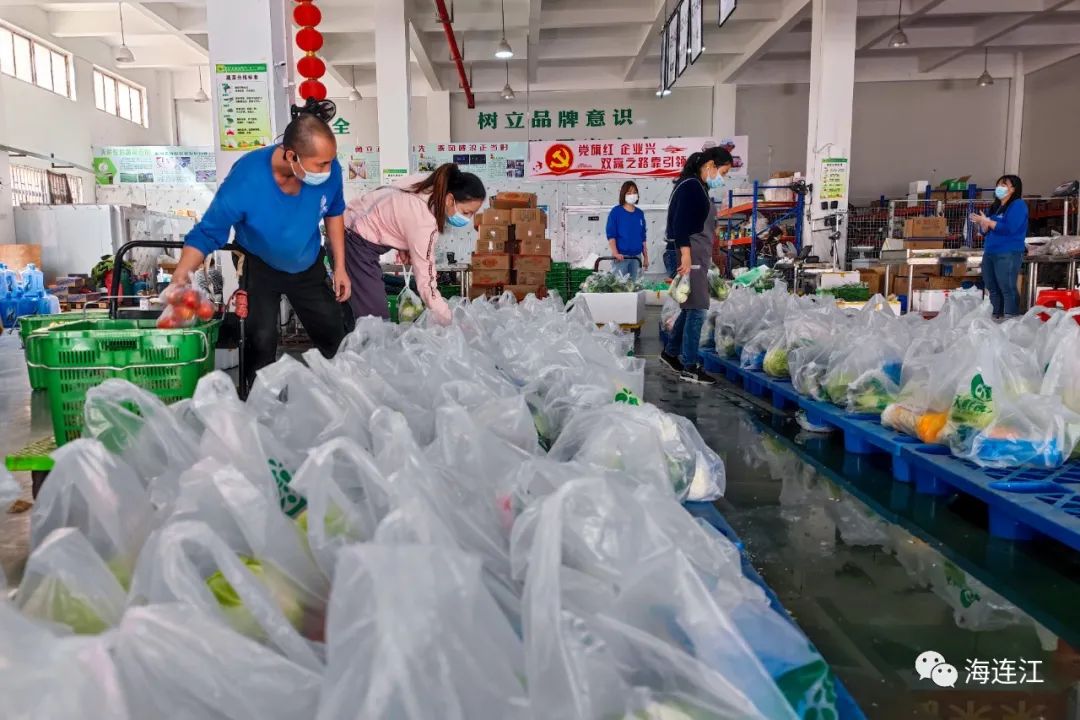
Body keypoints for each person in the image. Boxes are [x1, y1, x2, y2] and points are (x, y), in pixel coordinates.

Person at [170, 100, 350, 388]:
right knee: (260, 341)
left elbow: (334, 212)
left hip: (307, 264)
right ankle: (255, 412)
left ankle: (350, 398)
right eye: (321, 164)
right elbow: (208, 232)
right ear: (292, 155)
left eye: (331, 161)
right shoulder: (245, 181)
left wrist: (340, 267)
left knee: (335, 335)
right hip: (257, 266)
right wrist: (181, 276)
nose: (329, 170)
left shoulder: (330, 172)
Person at [343, 163, 485, 326]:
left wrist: (402, 243)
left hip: (349, 227)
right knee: (376, 324)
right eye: (466, 212)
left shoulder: (425, 184)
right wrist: (450, 322)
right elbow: (426, 284)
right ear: (450, 199)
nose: (468, 219)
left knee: (356, 317)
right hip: (354, 243)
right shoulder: (425, 220)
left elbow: (392, 209)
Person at [659, 147, 733, 384]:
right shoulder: (691, 186)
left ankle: (671, 354)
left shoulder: (695, 186)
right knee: (699, 308)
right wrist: (686, 256)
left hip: (694, 254)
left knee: (691, 307)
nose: (724, 177)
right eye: (724, 171)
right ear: (710, 165)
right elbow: (681, 225)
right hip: (688, 254)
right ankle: (690, 366)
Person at [970, 175, 1028, 319]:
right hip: (990, 251)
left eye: (1004, 185)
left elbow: (1010, 228)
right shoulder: (995, 207)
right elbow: (986, 231)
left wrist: (988, 222)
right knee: (991, 286)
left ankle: (1011, 318)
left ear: (1013, 189)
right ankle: (997, 315)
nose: (999, 188)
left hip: (1008, 252)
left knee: (1007, 286)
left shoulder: (1018, 205)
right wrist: (983, 225)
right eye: (998, 185)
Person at [606, 181, 648, 280]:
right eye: (629, 193)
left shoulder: (639, 214)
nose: (632, 195)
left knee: (635, 287)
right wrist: (615, 253)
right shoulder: (616, 212)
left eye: (634, 192)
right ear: (623, 194)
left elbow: (643, 237)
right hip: (621, 257)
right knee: (619, 288)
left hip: (636, 258)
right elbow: (611, 235)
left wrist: (646, 257)